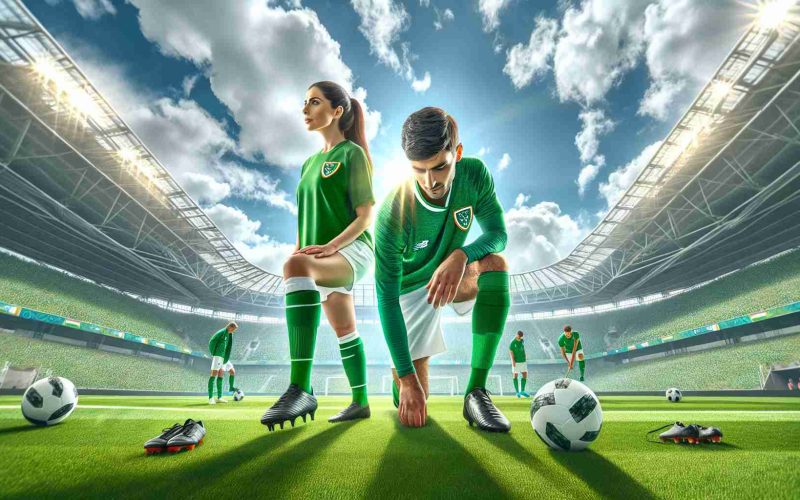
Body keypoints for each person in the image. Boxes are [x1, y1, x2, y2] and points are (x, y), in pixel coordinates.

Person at [375, 107, 511, 432]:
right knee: (414, 405)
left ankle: (476, 393)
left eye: (440, 167)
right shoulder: (393, 213)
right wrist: (407, 380)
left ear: (457, 153)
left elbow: (498, 235)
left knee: (495, 265)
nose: (430, 181)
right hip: (409, 292)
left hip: (452, 275)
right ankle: (403, 378)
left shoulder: (474, 175)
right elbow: (387, 299)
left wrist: (462, 254)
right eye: (418, 170)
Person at [260, 81, 375, 431]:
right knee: (345, 330)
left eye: (314, 102)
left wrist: (330, 247)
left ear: (337, 111)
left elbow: (366, 214)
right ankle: (361, 402)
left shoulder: (352, 154)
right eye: (304, 102)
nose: (305, 109)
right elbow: (304, 217)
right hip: (318, 254)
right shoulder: (309, 164)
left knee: (296, 267)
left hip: (351, 249)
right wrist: (300, 250)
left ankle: (300, 388)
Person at [208, 322, 237, 404]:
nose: (234, 331)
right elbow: (212, 341)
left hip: (224, 357)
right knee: (214, 375)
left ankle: (219, 397)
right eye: (234, 329)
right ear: (230, 327)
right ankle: (210, 398)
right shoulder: (221, 332)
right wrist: (214, 353)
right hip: (218, 356)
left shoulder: (229, 334)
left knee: (222, 374)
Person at [509, 331, 529, 398]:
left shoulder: (522, 341)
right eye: (519, 336)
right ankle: (517, 392)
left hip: (523, 361)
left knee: (525, 374)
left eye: (521, 336)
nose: (520, 337)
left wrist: (525, 355)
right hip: (516, 361)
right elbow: (511, 352)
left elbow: (523, 348)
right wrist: (513, 361)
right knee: (515, 375)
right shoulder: (512, 342)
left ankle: (522, 391)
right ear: (516, 334)